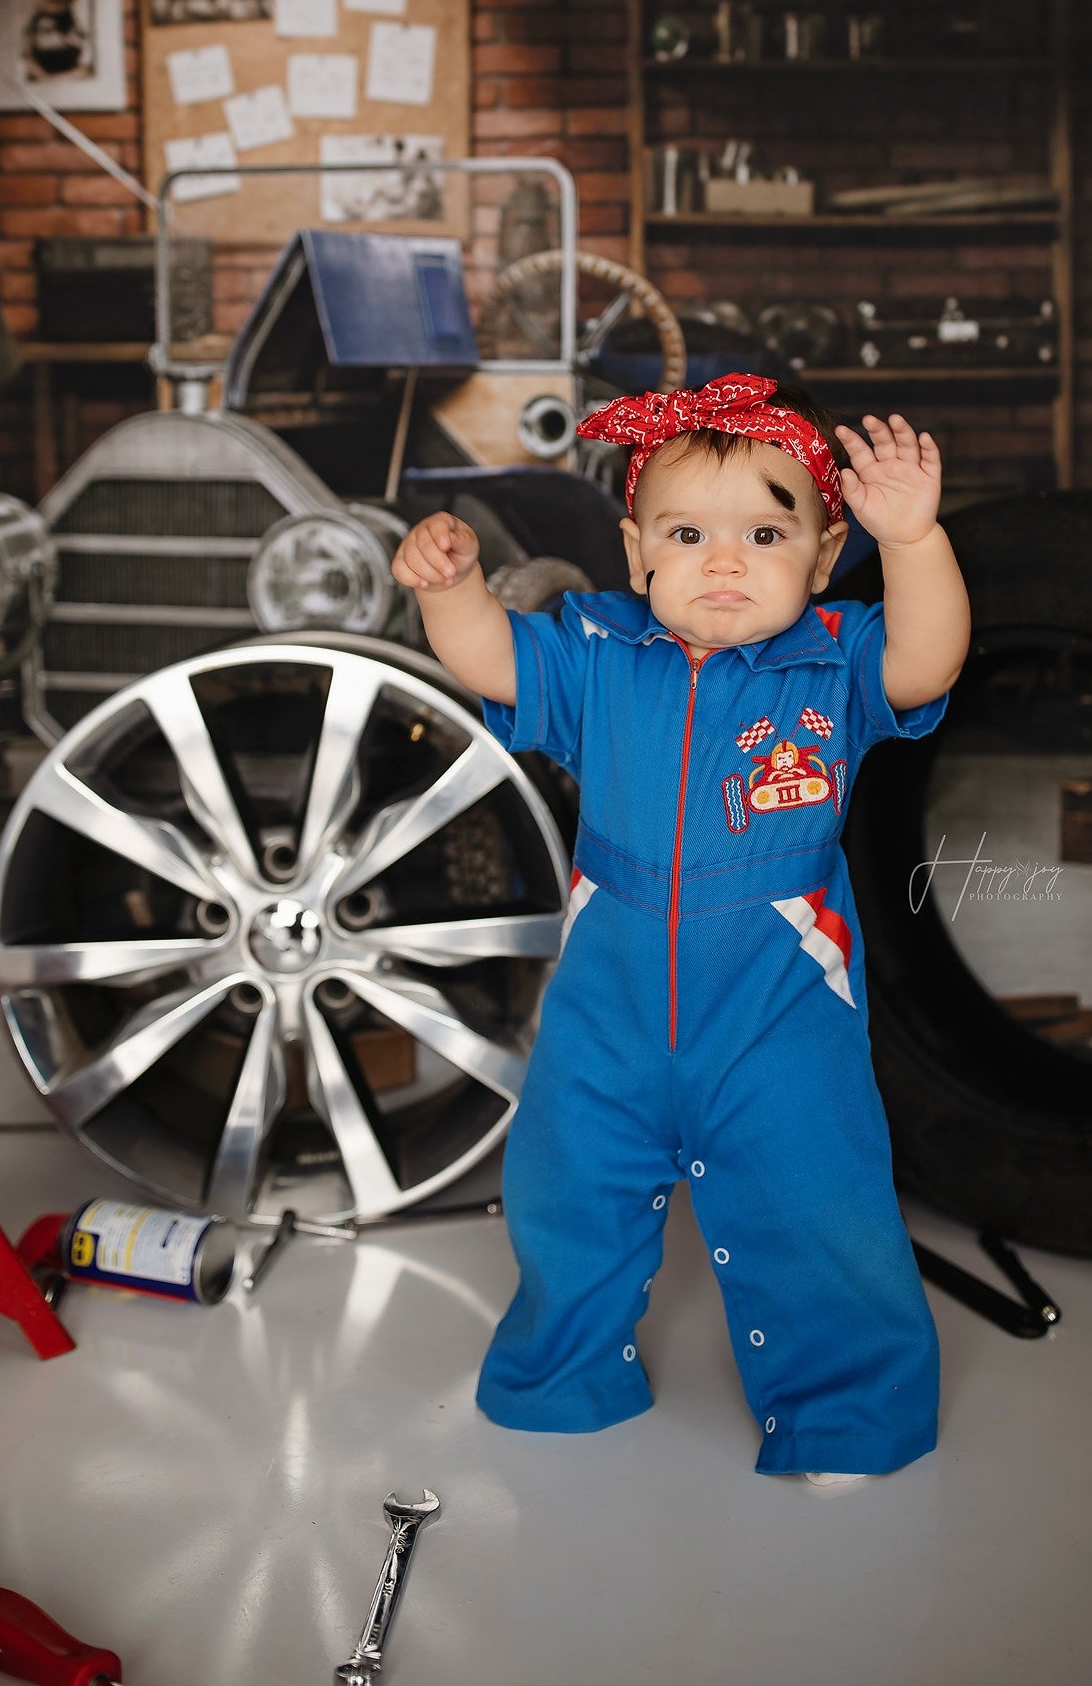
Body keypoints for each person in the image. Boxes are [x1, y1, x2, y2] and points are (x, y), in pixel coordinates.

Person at [390, 372, 971, 1481]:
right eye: (688, 531)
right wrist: (451, 591)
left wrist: (916, 540)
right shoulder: (600, 653)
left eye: (766, 530)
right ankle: (561, 1374)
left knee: (819, 1200)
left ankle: (848, 1414)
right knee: (567, 1191)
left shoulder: (834, 662)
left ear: (824, 547)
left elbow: (928, 658)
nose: (724, 559)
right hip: (606, 1006)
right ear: (635, 550)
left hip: (777, 1005)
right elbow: (492, 662)